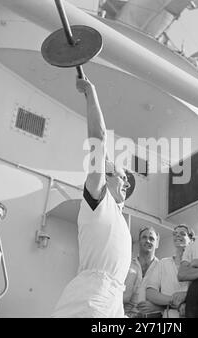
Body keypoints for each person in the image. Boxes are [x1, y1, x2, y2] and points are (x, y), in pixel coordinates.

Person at [52, 76, 135, 318]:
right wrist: (90, 92)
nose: (126, 182)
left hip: (114, 301)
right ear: (105, 175)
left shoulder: (119, 216)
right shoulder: (98, 199)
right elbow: (99, 139)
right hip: (89, 298)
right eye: (121, 176)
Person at [146, 224, 195, 318]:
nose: (177, 235)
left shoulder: (197, 263)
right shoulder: (163, 263)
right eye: (175, 234)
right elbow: (150, 292)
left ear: (191, 240)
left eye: (182, 233)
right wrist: (176, 301)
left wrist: (187, 295)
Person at [123, 226, 163, 318]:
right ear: (139, 241)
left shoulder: (162, 267)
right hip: (127, 314)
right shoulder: (127, 265)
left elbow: (167, 293)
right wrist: (121, 302)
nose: (148, 241)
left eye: (151, 238)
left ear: (157, 243)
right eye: (144, 237)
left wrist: (156, 307)